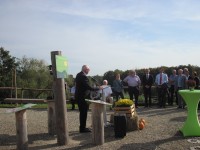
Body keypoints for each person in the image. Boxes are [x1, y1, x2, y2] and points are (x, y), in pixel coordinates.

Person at [75, 65, 102, 133]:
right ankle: (82, 129)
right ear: (85, 69)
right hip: (82, 97)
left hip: (79, 96)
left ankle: (82, 127)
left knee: (83, 112)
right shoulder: (83, 76)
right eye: (88, 69)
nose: (89, 71)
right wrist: (98, 88)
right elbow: (88, 87)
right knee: (83, 112)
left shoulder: (78, 74)